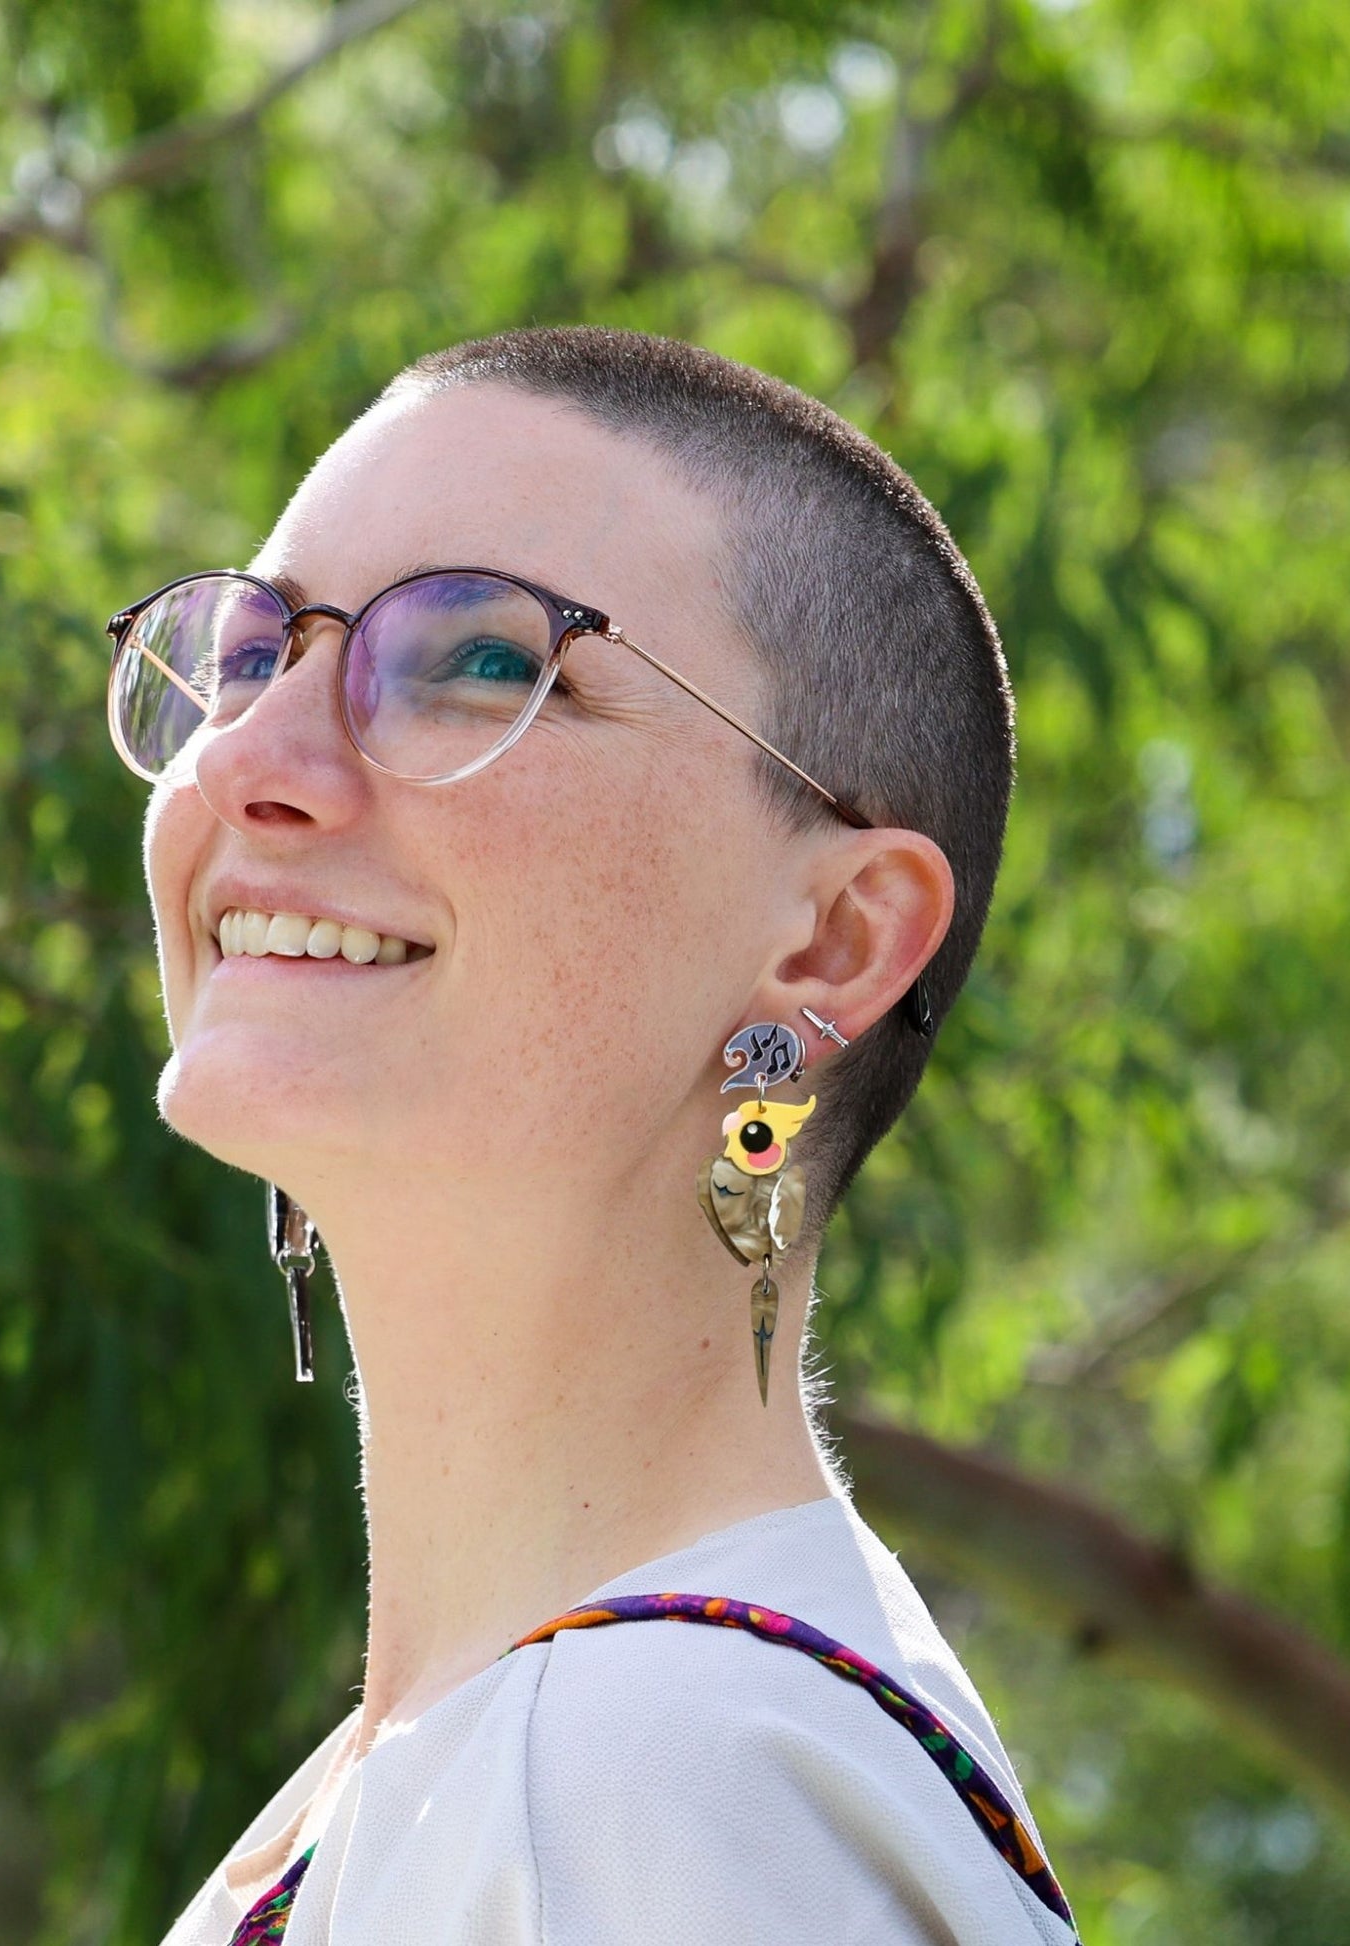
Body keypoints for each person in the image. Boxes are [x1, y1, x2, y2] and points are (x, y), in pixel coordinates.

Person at [112, 326, 1076, 1944]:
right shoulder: (482, 1773)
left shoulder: (663, 1781)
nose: (249, 759)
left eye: (484, 661)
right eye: (253, 654)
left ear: (834, 940)